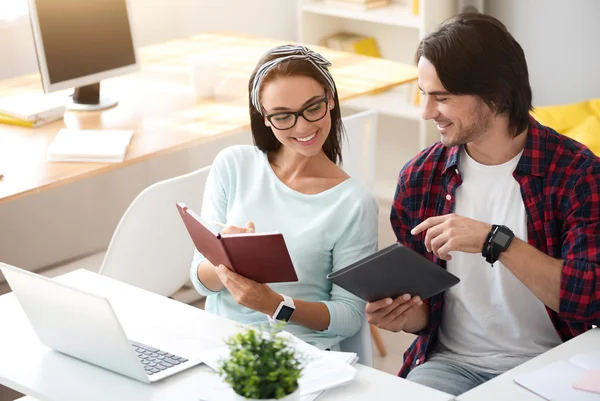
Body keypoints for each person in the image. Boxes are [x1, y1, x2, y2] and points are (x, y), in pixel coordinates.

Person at [365, 12, 600, 396]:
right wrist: (406, 316)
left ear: (495, 94)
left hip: (553, 362)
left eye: (442, 97)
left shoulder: (578, 175)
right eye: (425, 94)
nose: (427, 112)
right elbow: (427, 311)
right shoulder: (419, 178)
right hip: (451, 363)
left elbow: (589, 298)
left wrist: (494, 241)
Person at [189, 45, 378, 350]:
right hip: (219, 346)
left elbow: (350, 315)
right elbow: (200, 279)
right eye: (283, 116)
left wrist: (275, 304)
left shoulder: (353, 201)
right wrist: (224, 258)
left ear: (330, 100)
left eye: (313, 108)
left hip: (296, 355)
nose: (302, 127)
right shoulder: (232, 165)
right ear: (264, 117)